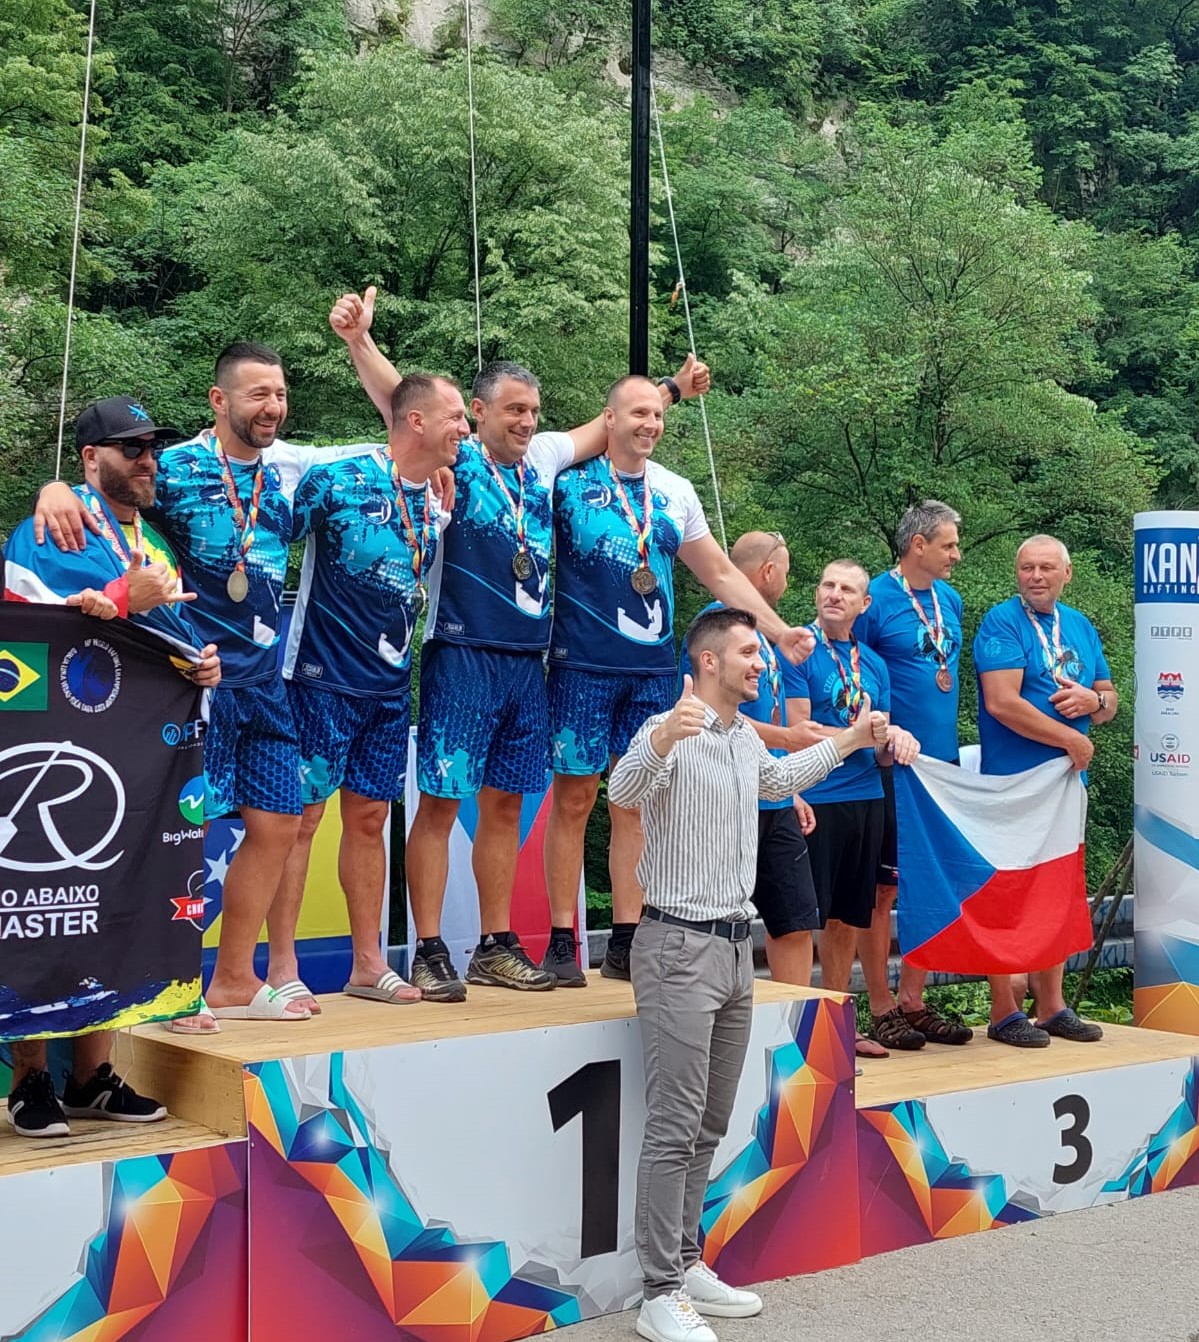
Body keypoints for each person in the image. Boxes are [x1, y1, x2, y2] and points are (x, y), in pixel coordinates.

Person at [333, 286, 710, 999]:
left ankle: (495, 944)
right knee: (441, 802)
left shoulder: (542, 459)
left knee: (506, 805)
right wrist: (360, 342)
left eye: (533, 410)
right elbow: (401, 401)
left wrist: (672, 389)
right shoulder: (455, 459)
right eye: (513, 409)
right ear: (476, 413)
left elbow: (610, 422)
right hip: (462, 653)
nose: (526, 421)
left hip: (526, 664)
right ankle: (428, 948)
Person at [33, 346, 408, 1021]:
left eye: (280, 394)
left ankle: (234, 976)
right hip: (191, 680)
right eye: (258, 394)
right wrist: (54, 487)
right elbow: (111, 496)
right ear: (219, 400)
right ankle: (171, 983)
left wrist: (431, 471)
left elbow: (400, 436)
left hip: (265, 684)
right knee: (181, 833)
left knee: (279, 823)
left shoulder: (296, 472)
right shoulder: (174, 468)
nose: (273, 408)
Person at [608, 607, 886, 1342]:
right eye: (747, 653)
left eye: (760, 654)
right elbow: (623, 792)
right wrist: (663, 738)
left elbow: (779, 778)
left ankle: (686, 1261)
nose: (761, 663)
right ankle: (658, 1291)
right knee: (674, 1124)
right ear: (708, 662)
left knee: (708, 1121)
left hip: (735, 948)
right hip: (677, 946)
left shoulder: (739, 738)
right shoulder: (669, 729)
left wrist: (851, 740)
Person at [541, 380, 817, 986]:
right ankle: (563, 938)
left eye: (658, 414)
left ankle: (627, 936)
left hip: (651, 668)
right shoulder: (568, 481)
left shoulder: (674, 489)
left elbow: (718, 571)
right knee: (575, 798)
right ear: (608, 417)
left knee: (637, 800)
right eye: (638, 413)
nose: (651, 423)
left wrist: (776, 631)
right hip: (581, 663)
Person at [2, 395, 221, 1137]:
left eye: (153, 448)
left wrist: (202, 665)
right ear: (91, 459)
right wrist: (126, 597)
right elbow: (29, 626)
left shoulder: (153, 544)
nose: (148, 461)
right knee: (42, 900)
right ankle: (30, 1079)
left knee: (114, 902)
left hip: (134, 755)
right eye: (132, 448)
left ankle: (91, 1076)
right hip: (51, 745)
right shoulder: (51, 524)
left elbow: (170, 640)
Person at [270, 372, 465, 1006]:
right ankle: (280, 968)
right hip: (320, 679)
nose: (465, 429)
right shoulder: (338, 479)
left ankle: (367, 964)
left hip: (389, 688)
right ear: (416, 422)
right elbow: (266, 534)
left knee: (371, 819)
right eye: (456, 417)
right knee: (301, 821)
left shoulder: (437, 498)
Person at [974, 535, 1118, 1047]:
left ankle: (1052, 1005)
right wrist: (1070, 739)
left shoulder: (1079, 625)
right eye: (1027, 568)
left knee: (1057, 888)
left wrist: (1094, 703)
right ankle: (1003, 1011)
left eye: (1046, 568)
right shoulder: (1002, 622)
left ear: (1066, 574)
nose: (1036, 576)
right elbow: (1002, 702)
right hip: (1014, 782)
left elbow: (1109, 697)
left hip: (1065, 783)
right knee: (1007, 891)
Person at [786, 561, 921, 1058]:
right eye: (828, 585)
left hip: (867, 796)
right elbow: (798, 729)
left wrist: (895, 742)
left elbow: (878, 745)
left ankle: (836, 1027)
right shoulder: (799, 651)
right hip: (816, 796)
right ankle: (799, 1035)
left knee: (847, 918)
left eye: (846, 589)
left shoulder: (875, 665)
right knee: (806, 918)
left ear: (864, 604)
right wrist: (861, 735)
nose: (835, 594)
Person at [677, 532, 823, 986]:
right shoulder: (716, 626)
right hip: (724, 796)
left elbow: (766, 712)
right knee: (716, 921)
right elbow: (709, 714)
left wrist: (790, 788)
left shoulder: (770, 635)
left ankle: (794, 1021)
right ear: (768, 571)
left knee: (795, 919)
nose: (787, 582)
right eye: (787, 572)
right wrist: (788, 738)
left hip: (773, 800)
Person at [854, 500, 974, 1046]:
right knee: (884, 888)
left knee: (929, 882)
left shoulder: (950, 600)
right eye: (949, 544)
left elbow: (943, 673)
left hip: (941, 765)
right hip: (891, 765)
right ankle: (881, 1006)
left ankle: (914, 999)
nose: (956, 554)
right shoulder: (876, 600)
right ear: (918, 545)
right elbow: (855, 676)